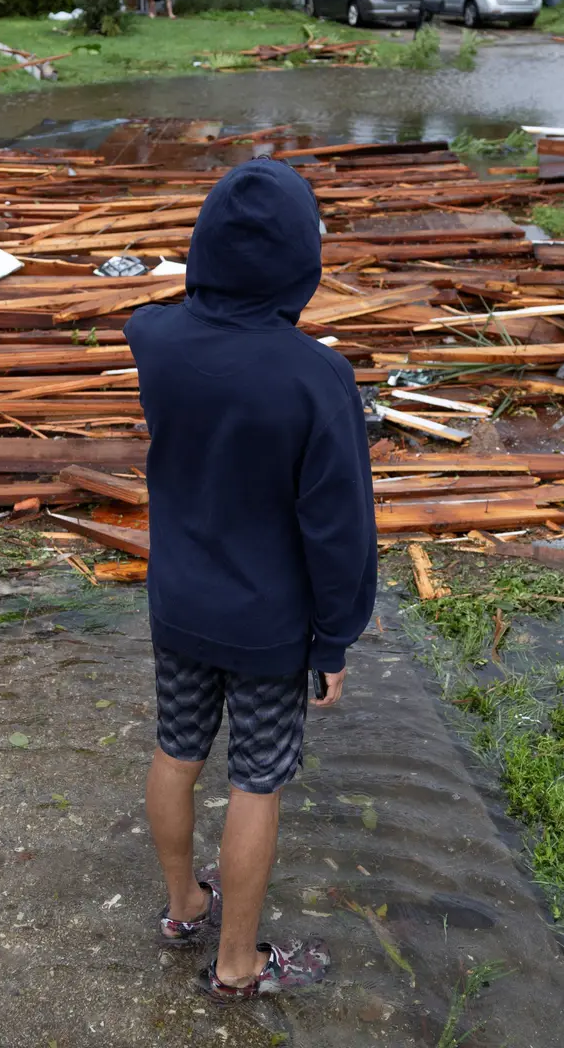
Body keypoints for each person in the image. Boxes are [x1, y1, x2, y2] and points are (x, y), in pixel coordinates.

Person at [124, 158, 377, 1001]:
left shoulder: (154, 339)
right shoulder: (317, 379)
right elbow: (336, 528)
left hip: (180, 604)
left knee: (176, 750)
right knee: (255, 781)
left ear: (204, 251)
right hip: (269, 625)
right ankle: (237, 965)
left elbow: (148, 316)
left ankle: (182, 904)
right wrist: (335, 636)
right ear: (301, 267)